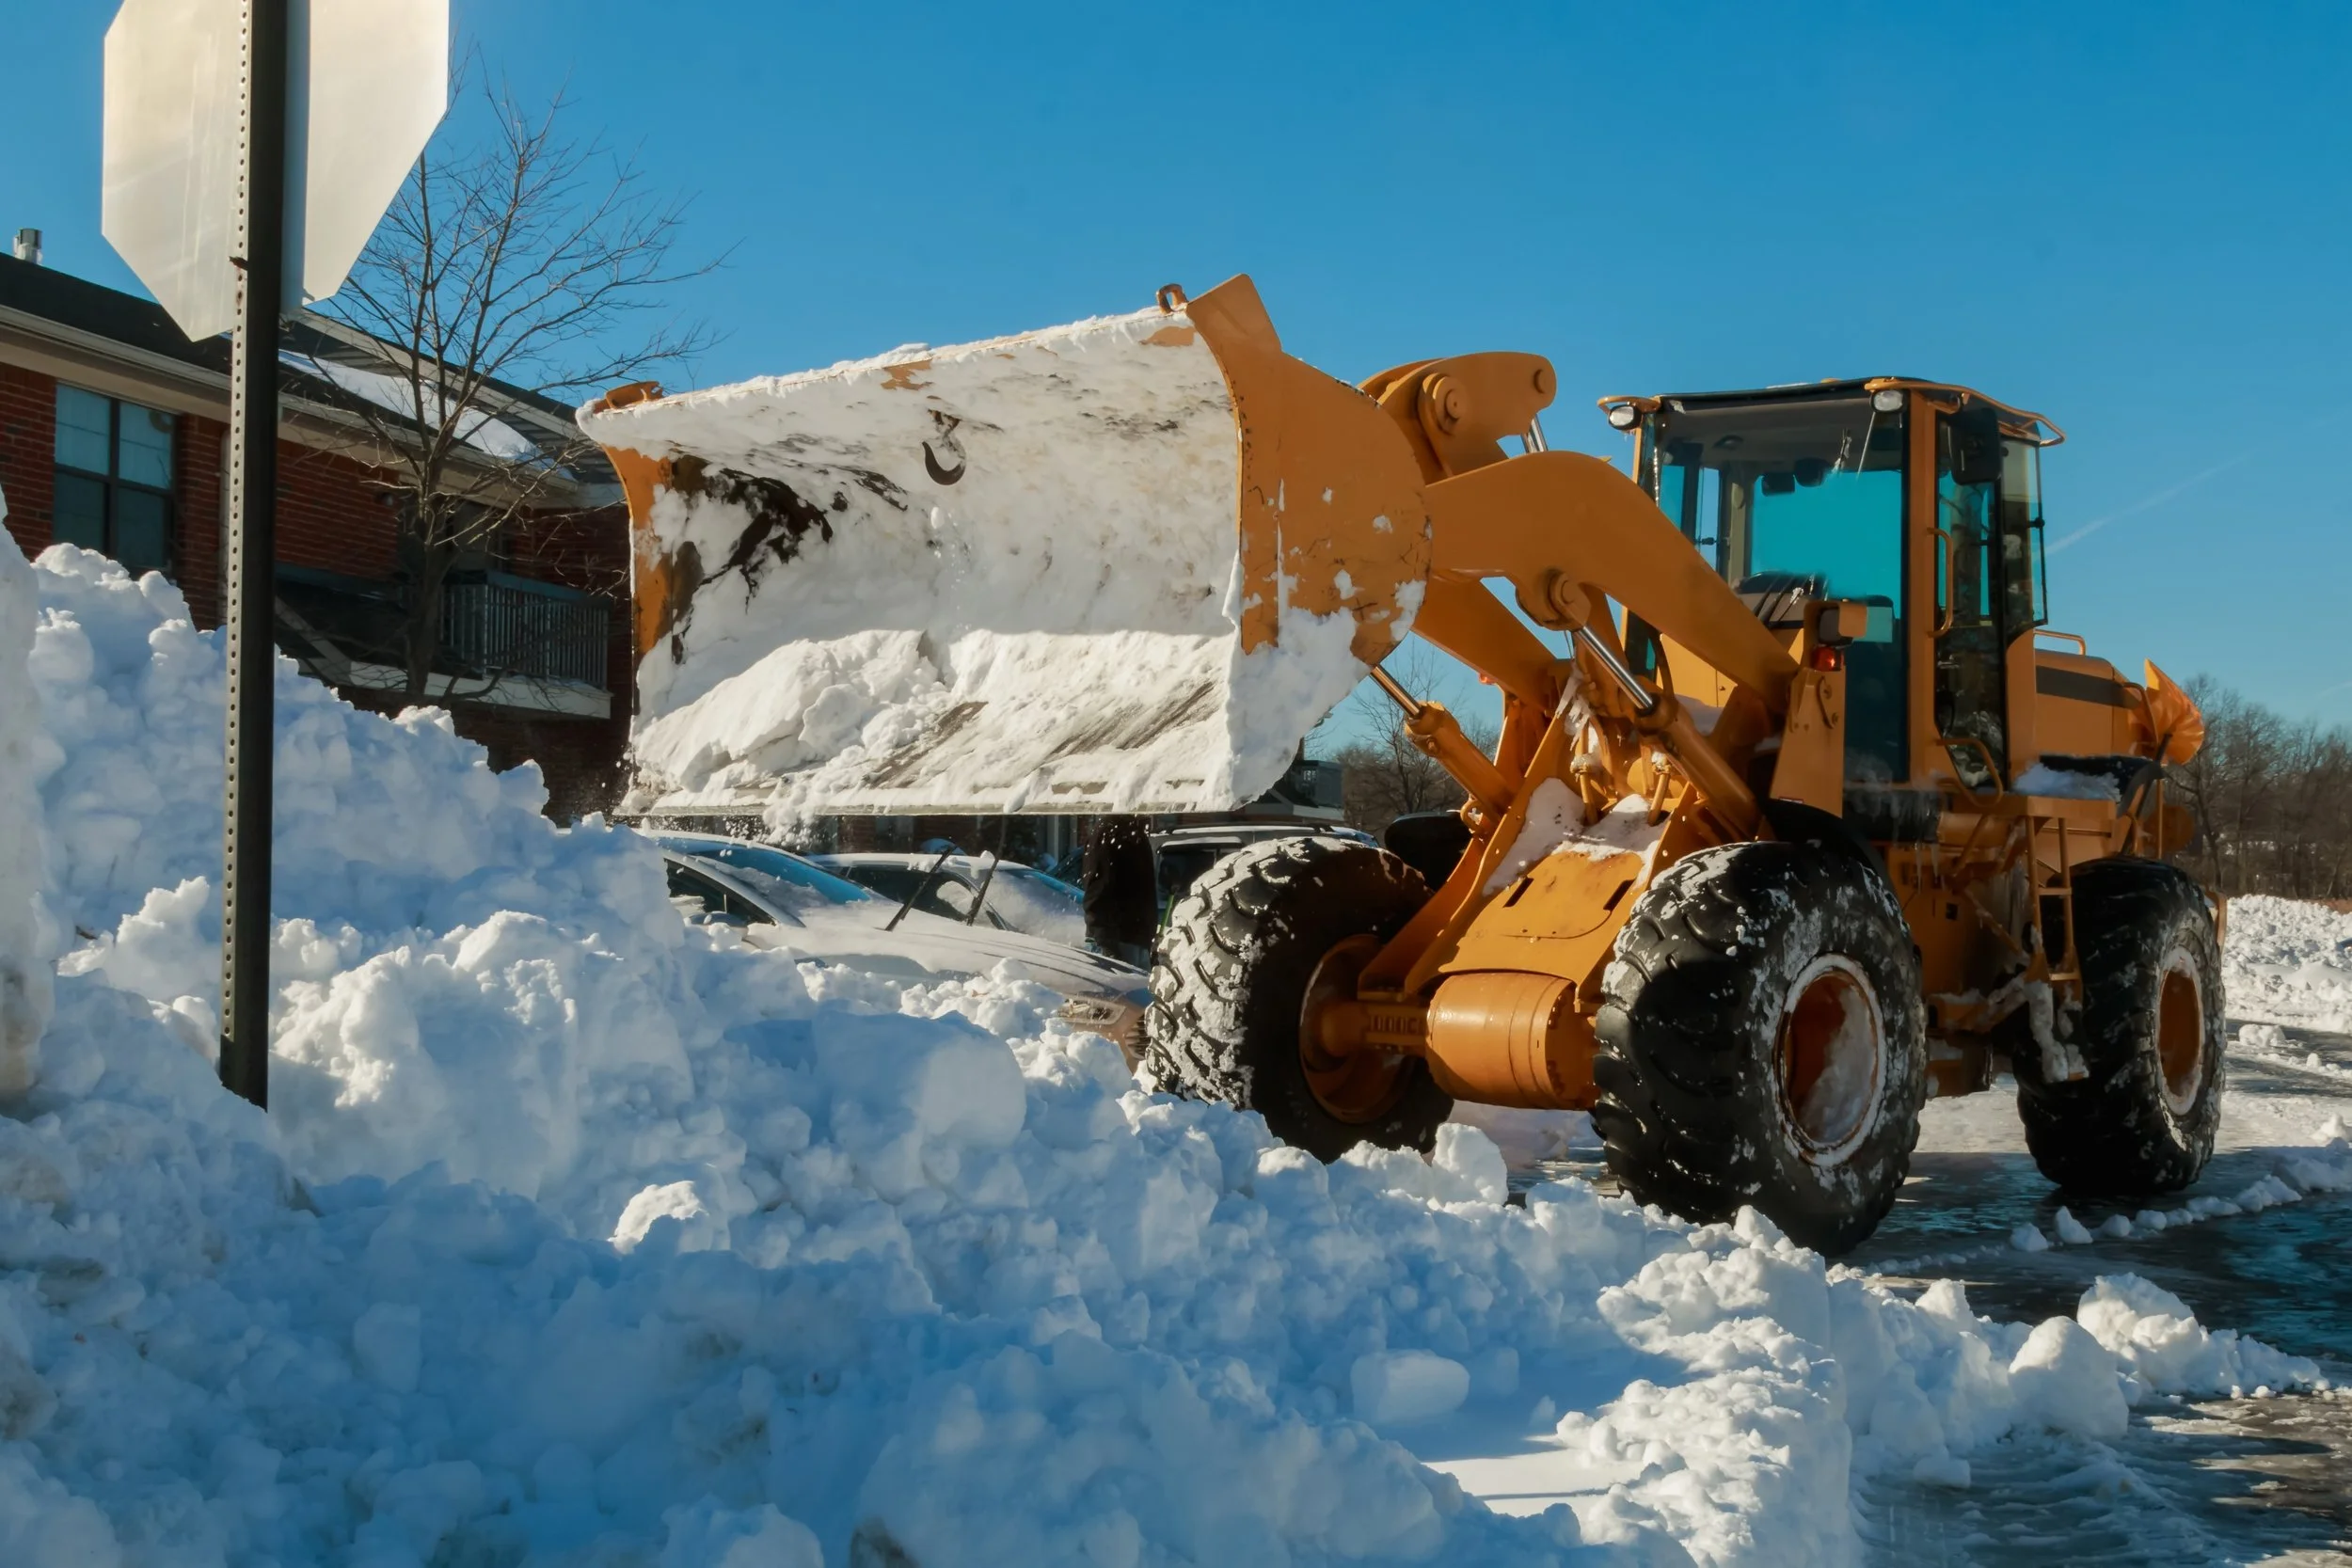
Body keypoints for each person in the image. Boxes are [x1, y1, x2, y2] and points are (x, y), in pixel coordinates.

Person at [1082, 815, 1157, 968]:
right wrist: (1105, 943)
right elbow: (1097, 891)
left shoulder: (1135, 832)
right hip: (1119, 940)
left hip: (1136, 940)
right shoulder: (1109, 831)